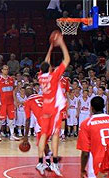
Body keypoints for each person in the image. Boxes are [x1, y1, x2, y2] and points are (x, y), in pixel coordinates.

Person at [38, 32, 70, 176]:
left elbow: (45, 63)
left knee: (44, 135)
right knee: (55, 134)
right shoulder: (54, 76)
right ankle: (55, 163)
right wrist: (61, 43)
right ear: (50, 68)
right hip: (55, 107)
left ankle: (40, 163)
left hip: (45, 106)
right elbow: (67, 59)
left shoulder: (40, 77)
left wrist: (50, 48)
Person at [77, 96, 109, 177]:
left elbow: (85, 153)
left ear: (91, 107)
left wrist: (82, 169)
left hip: (97, 162)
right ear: (104, 106)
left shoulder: (86, 124)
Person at [22, 87, 52, 175]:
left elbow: (27, 120)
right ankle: (48, 162)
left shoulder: (28, 102)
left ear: (26, 95)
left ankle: (46, 162)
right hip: (52, 120)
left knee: (41, 144)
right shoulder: (42, 97)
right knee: (44, 143)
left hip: (42, 122)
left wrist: (25, 136)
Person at [0, 65, 19, 141]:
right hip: (2, 102)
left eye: (7, 69)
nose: (6, 70)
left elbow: (13, 91)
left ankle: (12, 135)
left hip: (10, 102)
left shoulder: (11, 79)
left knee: (11, 119)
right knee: (1, 119)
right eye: (5, 69)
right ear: (2, 70)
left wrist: (15, 101)